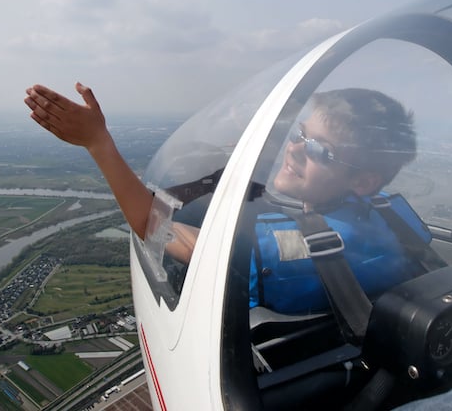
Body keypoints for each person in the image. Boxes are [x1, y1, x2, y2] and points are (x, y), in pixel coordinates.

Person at [24, 83, 423, 314]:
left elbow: (154, 227)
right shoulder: (390, 214)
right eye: (300, 134)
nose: (296, 149)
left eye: (319, 150)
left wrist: (98, 143)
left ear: (363, 181)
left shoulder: (277, 253)